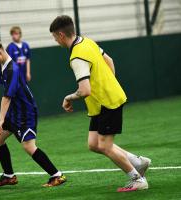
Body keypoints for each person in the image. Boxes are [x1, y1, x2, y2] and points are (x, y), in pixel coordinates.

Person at [49, 15, 151, 192]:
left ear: (61, 35)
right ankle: (138, 162)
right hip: (101, 103)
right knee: (94, 144)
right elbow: (109, 61)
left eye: (55, 37)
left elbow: (84, 90)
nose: (56, 41)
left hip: (107, 102)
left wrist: (68, 98)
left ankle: (137, 179)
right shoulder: (87, 42)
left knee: (105, 145)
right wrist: (109, 84)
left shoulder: (76, 57)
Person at [0, 39, 66, 187]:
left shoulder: (12, 70)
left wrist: (1, 120)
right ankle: (9, 176)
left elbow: (7, 97)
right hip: (14, 112)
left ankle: (57, 175)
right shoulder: (2, 65)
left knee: (28, 146)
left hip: (25, 113)